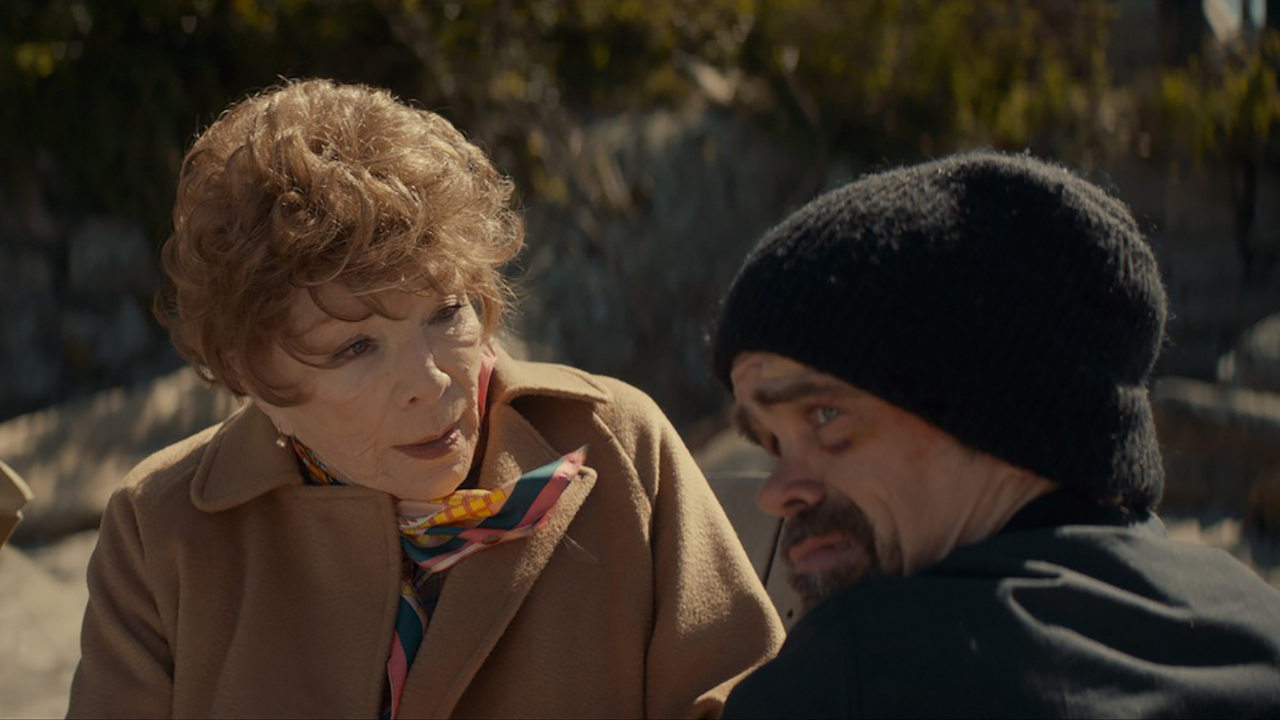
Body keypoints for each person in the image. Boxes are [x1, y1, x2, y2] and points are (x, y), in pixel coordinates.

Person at [68, 79, 783, 719]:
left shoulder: (617, 442)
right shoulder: (160, 528)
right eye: (356, 348)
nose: (432, 383)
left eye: (446, 314)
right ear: (255, 377)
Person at [710, 151, 1280, 718]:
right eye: (772, 443)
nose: (776, 492)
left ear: (994, 409)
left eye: (825, 416)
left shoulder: (859, 673)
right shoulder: (1253, 619)